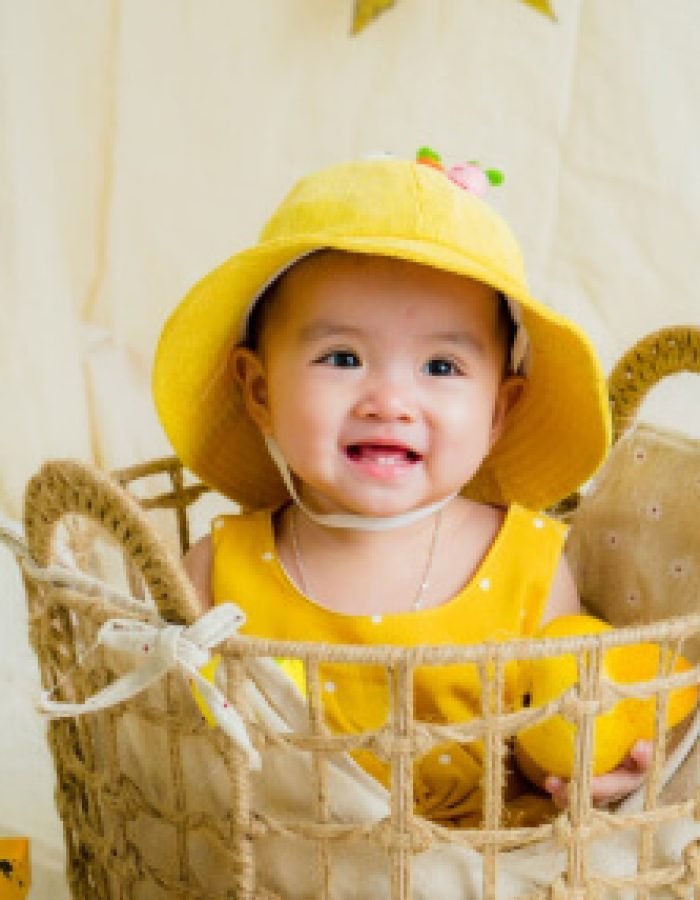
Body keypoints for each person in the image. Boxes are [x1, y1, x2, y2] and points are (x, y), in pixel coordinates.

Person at [152, 150, 651, 823]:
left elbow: (539, 748)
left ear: (499, 411)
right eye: (342, 358)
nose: (389, 401)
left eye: (441, 366)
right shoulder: (220, 569)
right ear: (261, 390)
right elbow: (165, 747)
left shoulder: (527, 565)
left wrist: (584, 766)